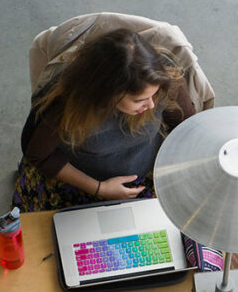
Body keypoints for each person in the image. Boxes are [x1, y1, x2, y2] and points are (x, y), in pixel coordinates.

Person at [13, 28, 197, 211]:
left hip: (148, 174)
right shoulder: (64, 106)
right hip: (83, 182)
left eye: (154, 95)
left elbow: (187, 129)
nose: (150, 105)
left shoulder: (165, 78)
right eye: (139, 100)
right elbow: (39, 155)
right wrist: (99, 188)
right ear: (107, 93)